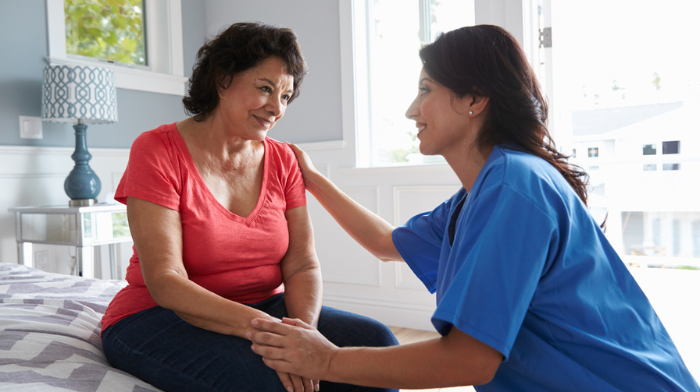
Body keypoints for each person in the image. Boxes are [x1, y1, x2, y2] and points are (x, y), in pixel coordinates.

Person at [247, 25, 700, 391]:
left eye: (425, 89)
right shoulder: (481, 193)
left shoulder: (515, 186)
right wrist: (312, 177)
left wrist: (327, 360)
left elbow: (469, 360)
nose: (411, 110)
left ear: (474, 99)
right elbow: (385, 243)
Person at [101, 22, 398, 392]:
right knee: (265, 380)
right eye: (265, 88)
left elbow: (302, 263)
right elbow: (166, 281)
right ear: (223, 80)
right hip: (158, 317)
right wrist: (273, 334)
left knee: (378, 344)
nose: (276, 108)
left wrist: (302, 335)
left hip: (263, 310)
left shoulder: (284, 159)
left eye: (286, 96)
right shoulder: (156, 150)